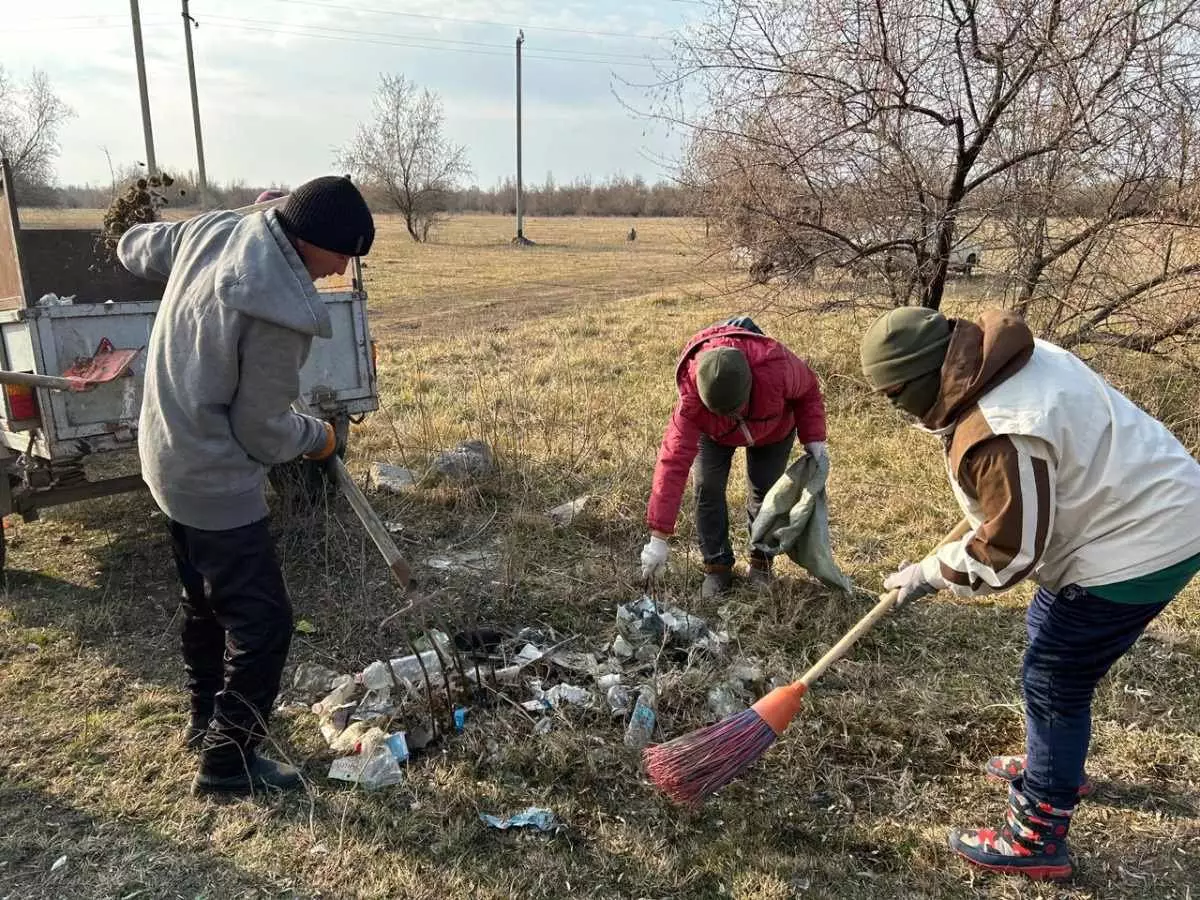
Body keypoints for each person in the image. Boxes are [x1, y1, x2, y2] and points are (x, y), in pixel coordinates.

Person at [860, 306, 1200, 881]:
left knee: (1053, 678)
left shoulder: (1000, 430)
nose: (894, 408)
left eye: (893, 395)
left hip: (1143, 540)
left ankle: (1037, 832)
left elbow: (1012, 552)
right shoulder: (1002, 356)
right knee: (1047, 625)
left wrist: (930, 574)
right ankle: (1054, 762)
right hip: (1145, 499)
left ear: (922, 378)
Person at [117, 175, 375, 795]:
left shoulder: (211, 230)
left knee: (205, 604)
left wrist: (243, 214)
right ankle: (228, 762)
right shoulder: (278, 308)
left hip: (165, 454)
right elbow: (261, 431)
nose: (341, 270)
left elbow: (132, 245)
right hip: (215, 478)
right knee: (264, 626)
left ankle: (206, 720)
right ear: (307, 238)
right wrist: (317, 436)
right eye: (342, 254)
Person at [640, 315, 828, 598]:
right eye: (723, 412)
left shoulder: (775, 367)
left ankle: (761, 564)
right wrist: (658, 538)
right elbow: (672, 464)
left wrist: (814, 438)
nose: (733, 416)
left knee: (766, 492)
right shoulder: (692, 401)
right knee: (707, 487)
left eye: (735, 408)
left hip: (773, 429)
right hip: (714, 435)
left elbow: (808, 390)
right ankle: (717, 568)